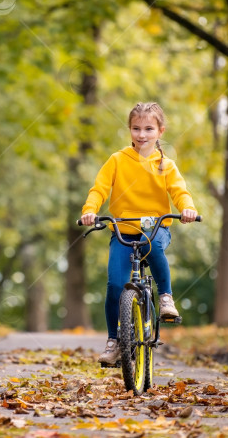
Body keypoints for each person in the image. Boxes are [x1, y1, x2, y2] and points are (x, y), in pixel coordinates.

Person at [80, 102, 197, 366]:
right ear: (129, 130)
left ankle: (165, 297)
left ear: (160, 131)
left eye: (148, 128)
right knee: (114, 285)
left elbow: (179, 192)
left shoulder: (165, 165)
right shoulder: (117, 160)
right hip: (123, 232)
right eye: (136, 128)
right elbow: (99, 189)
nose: (141, 134)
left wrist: (187, 209)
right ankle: (114, 341)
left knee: (153, 245)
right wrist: (90, 210)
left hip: (156, 229)